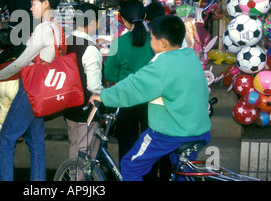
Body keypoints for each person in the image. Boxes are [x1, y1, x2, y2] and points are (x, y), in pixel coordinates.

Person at [89, 15, 211, 181]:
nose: (150, 41)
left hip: (170, 133)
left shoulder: (162, 64)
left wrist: (103, 96)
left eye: (152, 38)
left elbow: (132, 87)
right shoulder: (190, 55)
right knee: (181, 171)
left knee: (130, 166)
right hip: (198, 129)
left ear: (163, 43)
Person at [0, 0, 63, 181]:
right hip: (44, 89)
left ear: (45, 4)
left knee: (5, 140)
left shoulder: (43, 28)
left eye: (33, 4)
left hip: (31, 87)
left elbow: (23, 60)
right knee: (36, 142)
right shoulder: (57, 27)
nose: (31, 8)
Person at [103, 0, 154, 165]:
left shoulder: (118, 43)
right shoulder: (155, 42)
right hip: (152, 101)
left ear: (123, 20)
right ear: (145, 15)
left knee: (127, 147)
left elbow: (109, 75)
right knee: (150, 148)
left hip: (126, 100)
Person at [63, 3, 104, 160]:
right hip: (86, 110)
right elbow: (94, 87)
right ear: (92, 23)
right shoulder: (90, 48)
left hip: (68, 106)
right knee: (84, 155)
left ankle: (72, 177)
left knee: (74, 147)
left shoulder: (66, 42)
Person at [0, 28, 26, 134]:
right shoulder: (18, 53)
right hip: (14, 84)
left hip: (2, 86)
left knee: (4, 107)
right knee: (17, 107)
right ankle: (17, 130)